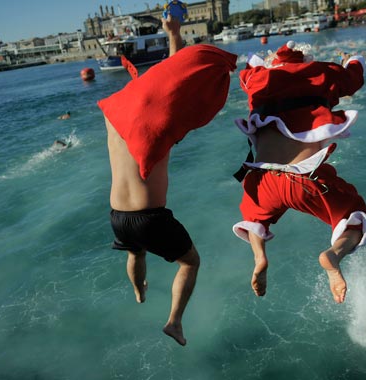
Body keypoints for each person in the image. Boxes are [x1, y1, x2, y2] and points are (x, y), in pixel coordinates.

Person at [97, 16, 237, 346]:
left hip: (117, 216)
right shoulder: (155, 133)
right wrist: (174, 34)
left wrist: (172, 33)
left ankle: (138, 291)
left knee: (136, 253)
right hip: (151, 218)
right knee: (190, 262)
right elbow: (173, 84)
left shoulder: (112, 116)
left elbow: (164, 83)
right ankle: (174, 322)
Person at [231, 41, 366, 304]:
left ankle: (259, 256)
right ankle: (333, 255)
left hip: (261, 180)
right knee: (356, 217)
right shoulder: (321, 73)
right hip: (303, 180)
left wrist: (261, 66)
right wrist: (353, 59)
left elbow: (248, 73)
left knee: (254, 218)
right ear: (306, 61)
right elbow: (353, 78)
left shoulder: (257, 80)